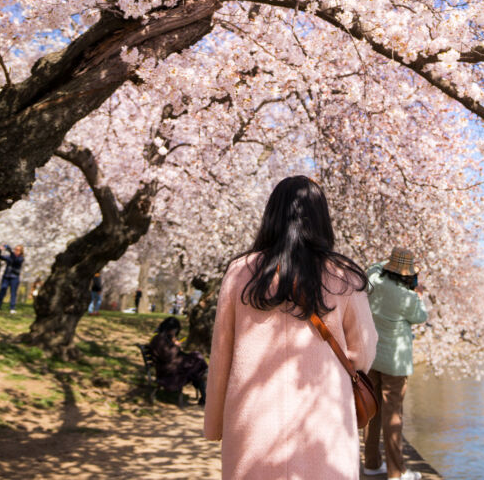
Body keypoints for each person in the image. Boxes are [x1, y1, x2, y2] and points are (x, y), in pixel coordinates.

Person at [204, 175, 377, 480]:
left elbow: (221, 354)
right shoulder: (345, 276)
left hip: (252, 418)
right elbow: (362, 352)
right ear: (322, 219)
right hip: (322, 417)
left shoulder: (240, 272)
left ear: (271, 215)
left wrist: (215, 422)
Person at [362, 247, 429, 480]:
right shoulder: (408, 297)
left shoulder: (373, 278)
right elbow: (421, 317)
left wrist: (391, 262)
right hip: (395, 363)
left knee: (372, 411)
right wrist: (420, 295)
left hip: (371, 356)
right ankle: (396, 472)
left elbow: (376, 266)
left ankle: (371, 463)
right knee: (393, 416)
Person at [149, 316, 208, 404]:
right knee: (198, 362)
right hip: (168, 371)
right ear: (169, 328)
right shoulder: (159, 339)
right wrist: (175, 346)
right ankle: (205, 392)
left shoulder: (164, 338)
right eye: (174, 330)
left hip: (173, 365)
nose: (175, 333)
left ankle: (205, 395)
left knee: (196, 357)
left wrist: (174, 345)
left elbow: (173, 355)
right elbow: (168, 356)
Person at [0, 244, 25, 314]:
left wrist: (10, 251)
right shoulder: (9, 257)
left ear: (21, 251)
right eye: (15, 249)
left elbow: (16, 260)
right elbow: (0, 257)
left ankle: (12, 308)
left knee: (13, 293)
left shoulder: (21, 258)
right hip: (6, 276)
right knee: (2, 290)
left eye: (18, 250)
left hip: (14, 277)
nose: (16, 251)